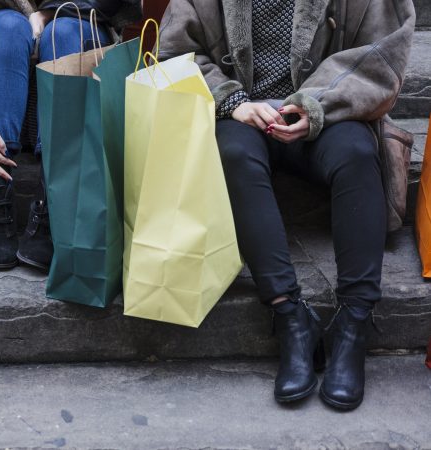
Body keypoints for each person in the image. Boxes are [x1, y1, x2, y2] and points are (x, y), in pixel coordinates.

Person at [160, 0, 415, 410]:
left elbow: (383, 51)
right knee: (233, 154)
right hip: (244, 117)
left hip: (330, 116)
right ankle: (290, 316)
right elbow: (175, 52)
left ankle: (353, 323)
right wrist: (231, 102)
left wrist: (315, 104)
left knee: (355, 153)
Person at [0, 0, 138, 271]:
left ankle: (52, 207)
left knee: (64, 30)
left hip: (82, 30)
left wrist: (48, 13)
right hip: (5, 54)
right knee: (8, 25)